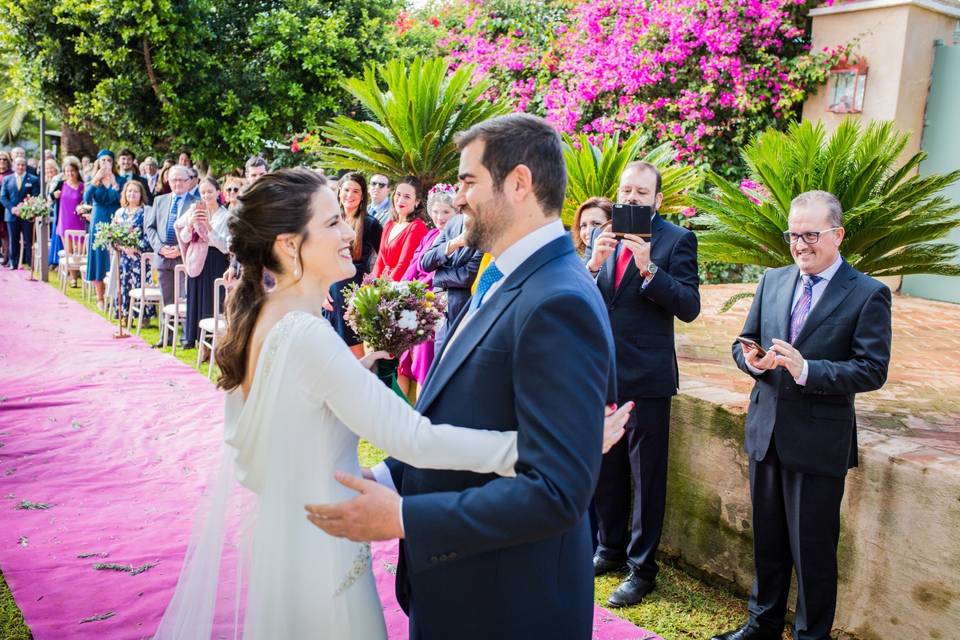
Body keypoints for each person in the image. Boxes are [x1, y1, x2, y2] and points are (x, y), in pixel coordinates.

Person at [153, 168, 524, 640]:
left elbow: (283, 425)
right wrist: (530, 447)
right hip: (326, 552)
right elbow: (414, 439)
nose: (349, 232)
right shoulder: (307, 335)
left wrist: (358, 366)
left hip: (288, 536)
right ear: (290, 244)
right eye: (331, 223)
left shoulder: (263, 316)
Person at [307, 114, 620, 640]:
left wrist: (406, 518)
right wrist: (385, 479)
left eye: (469, 181)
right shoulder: (505, 275)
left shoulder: (559, 300)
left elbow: (557, 491)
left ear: (518, 183)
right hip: (466, 588)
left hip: (507, 605)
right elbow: (461, 415)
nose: (457, 198)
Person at [713, 191, 892, 640]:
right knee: (768, 542)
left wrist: (806, 369)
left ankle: (811, 635)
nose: (799, 244)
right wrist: (750, 360)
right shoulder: (773, 280)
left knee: (812, 551)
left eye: (810, 235)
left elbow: (872, 369)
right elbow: (744, 339)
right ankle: (762, 624)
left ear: (838, 234)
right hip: (766, 433)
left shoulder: (869, 293)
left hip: (817, 444)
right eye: (793, 234)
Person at [585, 160, 700, 606]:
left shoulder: (677, 240)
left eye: (640, 193)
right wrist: (592, 265)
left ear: (657, 199)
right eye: (625, 191)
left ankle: (641, 569)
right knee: (606, 468)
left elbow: (689, 306)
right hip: (604, 373)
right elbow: (590, 300)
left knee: (645, 476)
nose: (630, 199)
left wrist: (650, 269)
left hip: (647, 379)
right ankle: (609, 549)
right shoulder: (604, 236)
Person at [396, 183, 458, 395]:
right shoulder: (430, 235)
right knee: (401, 358)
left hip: (435, 305)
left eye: (446, 212)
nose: (440, 217)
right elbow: (415, 265)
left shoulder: (458, 238)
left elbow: (438, 274)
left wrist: (417, 291)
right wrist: (399, 289)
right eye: (436, 211)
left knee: (424, 355)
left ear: (457, 212)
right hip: (416, 300)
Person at [323, 171, 382, 358]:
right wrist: (321, 289)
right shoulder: (328, 221)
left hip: (353, 293)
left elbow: (384, 258)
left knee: (354, 350)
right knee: (329, 348)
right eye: (346, 190)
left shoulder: (371, 224)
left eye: (356, 191)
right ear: (339, 192)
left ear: (362, 195)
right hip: (328, 292)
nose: (350, 195)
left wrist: (371, 288)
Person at [418, 194, 483, 350]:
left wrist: (438, 275)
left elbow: (468, 276)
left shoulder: (486, 230)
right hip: (441, 313)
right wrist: (455, 243)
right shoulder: (453, 223)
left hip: (464, 310)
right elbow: (426, 262)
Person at [175, 176, 231, 349]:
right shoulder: (194, 210)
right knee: (195, 296)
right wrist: (191, 225)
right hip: (196, 259)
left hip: (215, 260)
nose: (206, 196)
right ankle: (191, 337)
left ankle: (209, 341)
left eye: (210, 192)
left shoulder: (226, 216)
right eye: (203, 192)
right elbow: (183, 237)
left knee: (211, 299)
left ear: (218, 193)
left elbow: (225, 246)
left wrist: (208, 228)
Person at [145, 164, 196, 316]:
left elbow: (198, 233)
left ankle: (186, 337)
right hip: (162, 257)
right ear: (168, 181)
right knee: (166, 299)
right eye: (174, 180)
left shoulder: (196, 203)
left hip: (183, 257)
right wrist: (160, 248)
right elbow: (150, 227)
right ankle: (165, 336)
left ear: (189, 182)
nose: (178, 183)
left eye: (181, 180)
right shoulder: (159, 201)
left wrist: (180, 249)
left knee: (184, 298)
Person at [83, 150, 127, 309]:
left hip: (115, 219)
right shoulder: (93, 180)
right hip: (98, 219)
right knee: (99, 257)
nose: (106, 163)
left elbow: (124, 200)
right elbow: (86, 199)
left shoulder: (121, 180)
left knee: (114, 257)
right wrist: (95, 180)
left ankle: (115, 296)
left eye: (109, 160)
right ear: (98, 163)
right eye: (103, 160)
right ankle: (100, 297)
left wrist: (115, 183)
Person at [112, 179, 155, 322]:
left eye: (136, 191)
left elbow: (149, 235)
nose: (132, 194)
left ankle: (143, 316)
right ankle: (124, 314)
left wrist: (136, 247)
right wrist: (121, 245)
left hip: (140, 257)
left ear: (141, 194)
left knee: (139, 282)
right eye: (129, 191)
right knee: (124, 283)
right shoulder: (119, 212)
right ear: (125, 194)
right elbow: (112, 234)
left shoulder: (146, 212)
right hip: (124, 256)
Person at [372, 176, 428, 281]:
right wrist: (370, 286)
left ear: (417, 201)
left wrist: (382, 290)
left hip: (399, 288)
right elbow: (379, 261)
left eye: (407, 196)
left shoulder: (417, 227)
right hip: (381, 285)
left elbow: (404, 265)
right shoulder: (389, 224)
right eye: (398, 194)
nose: (400, 200)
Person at [0, 156, 41, 269]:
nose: (20, 167)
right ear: (14, 166)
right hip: (11, 215)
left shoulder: (33, 179)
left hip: (27, 215)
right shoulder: (7, 179)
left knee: (28, 240)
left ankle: (29, 264)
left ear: (26, 166)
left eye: (23, 165)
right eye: (18, 165)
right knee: (13, 240)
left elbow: (35, 196)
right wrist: (12, 208)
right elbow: (3, 197)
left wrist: (24, 209)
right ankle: (13, 263)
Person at [55, 156, 86, 286]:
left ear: (77, 171)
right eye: (67, 171)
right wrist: (54, 195)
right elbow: (51, 196)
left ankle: (81, 275)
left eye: (72, 170)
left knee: (79, 252)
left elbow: (86, 202)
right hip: (65, 221)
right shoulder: (61, 184)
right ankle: (73, 278)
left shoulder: (82, 186)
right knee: (69, 252)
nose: (70, 173)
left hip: (78, 222)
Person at [44, 158, 63, 268]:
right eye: (47, 169)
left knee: (57, 232)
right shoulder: (49, 180)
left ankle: (56, 260)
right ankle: (54, 259)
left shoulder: (57, 179)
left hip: (57, 208)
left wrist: (48, 203)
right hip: (53, 209)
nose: (49, 171)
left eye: (51, 168)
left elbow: (51, 196)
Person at [0, 151, 12, 262]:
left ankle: (6, 256)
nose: (2, 161)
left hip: (6, 207)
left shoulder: (11, 175)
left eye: (4, 159)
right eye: (0, 159)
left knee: (5, 233)